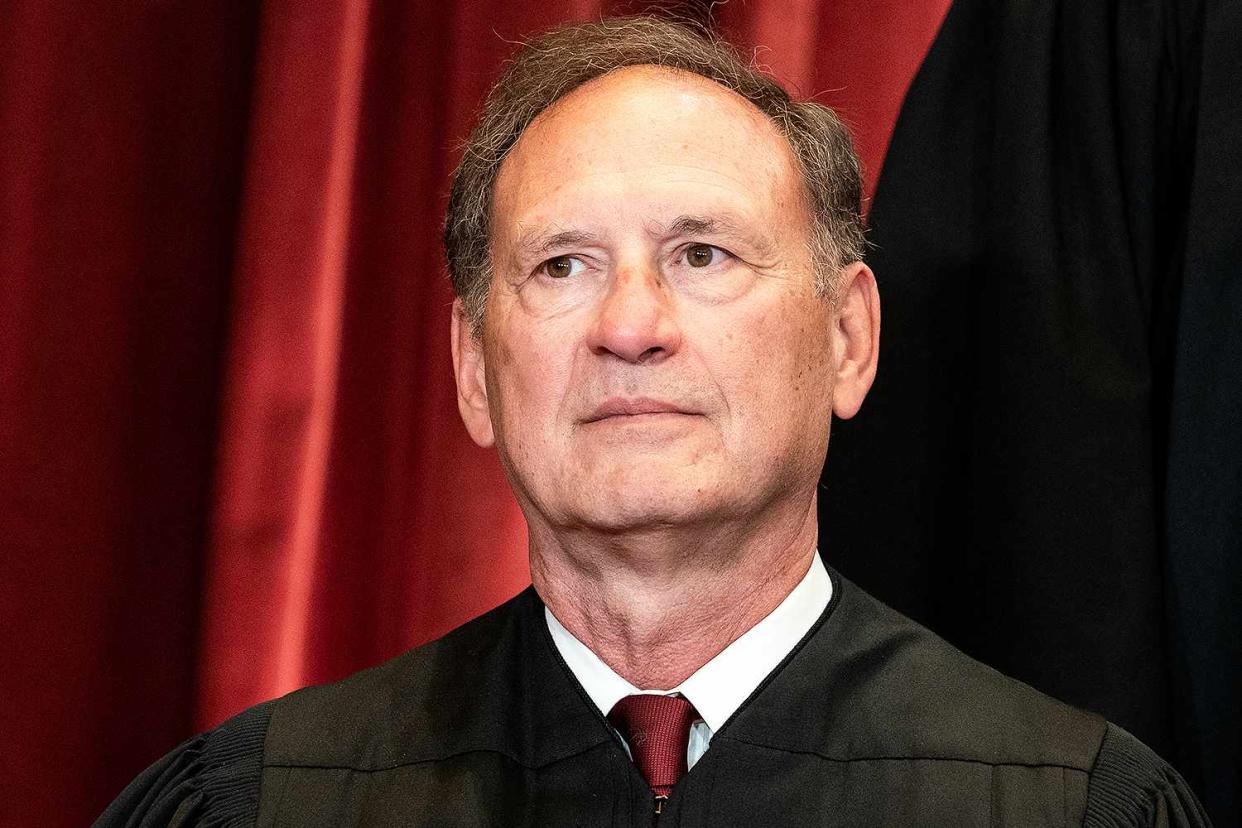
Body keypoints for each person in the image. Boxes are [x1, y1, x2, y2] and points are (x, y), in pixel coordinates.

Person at [96, 16, 1211, 827]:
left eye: (703, 254)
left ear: (848, 339)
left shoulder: (1069, 805)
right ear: (474, 369)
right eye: (564, 264)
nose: (631, 325)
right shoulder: (267, 802)